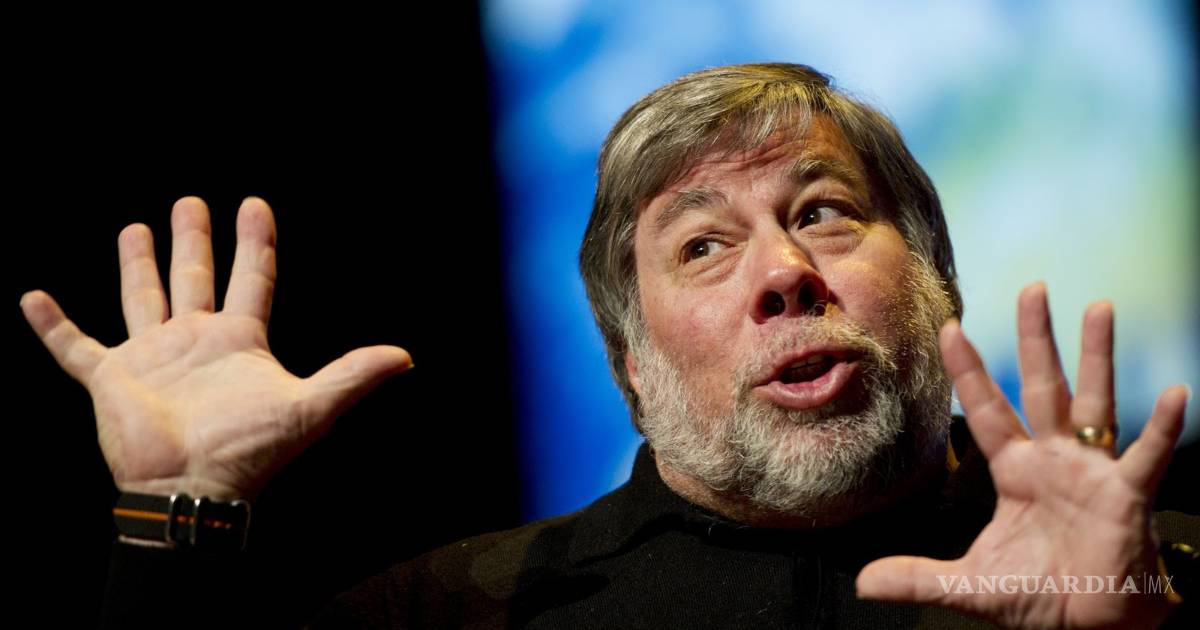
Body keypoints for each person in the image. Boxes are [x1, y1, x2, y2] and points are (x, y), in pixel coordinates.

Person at [19, 63, 1197, 628]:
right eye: (702, 246)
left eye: (825, 212)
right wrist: (173, 517)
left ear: (939, 282)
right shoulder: (451, 615)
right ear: (629, 365)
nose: (783, 272)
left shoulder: (1154, 573)